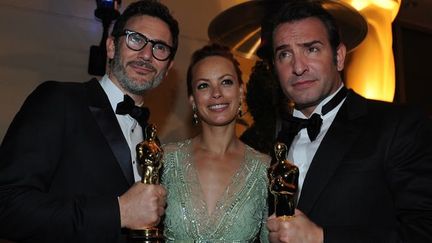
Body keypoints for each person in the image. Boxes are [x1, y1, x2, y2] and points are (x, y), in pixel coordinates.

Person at [0, 0, 179, 242]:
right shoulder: (59, 100)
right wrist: (118, 212)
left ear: (167, 69)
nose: (147, 54)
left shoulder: (151, 139)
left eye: (160, 48)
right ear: (111, 47)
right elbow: (7, 205)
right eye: (136, 39)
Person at [259, 1, 432, 242]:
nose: (298, 67)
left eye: (311, 49)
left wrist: (322, 238)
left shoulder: (396, 125)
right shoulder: (273, 144)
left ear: (339, 56)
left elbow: (424, 231)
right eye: (285, 54)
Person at [161, 43, 270, 242]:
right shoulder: (165, 160)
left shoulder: (266, 170)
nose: (216, 93)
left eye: (226, 82)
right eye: (204, 85)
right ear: (193, 100)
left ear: (241, 91)